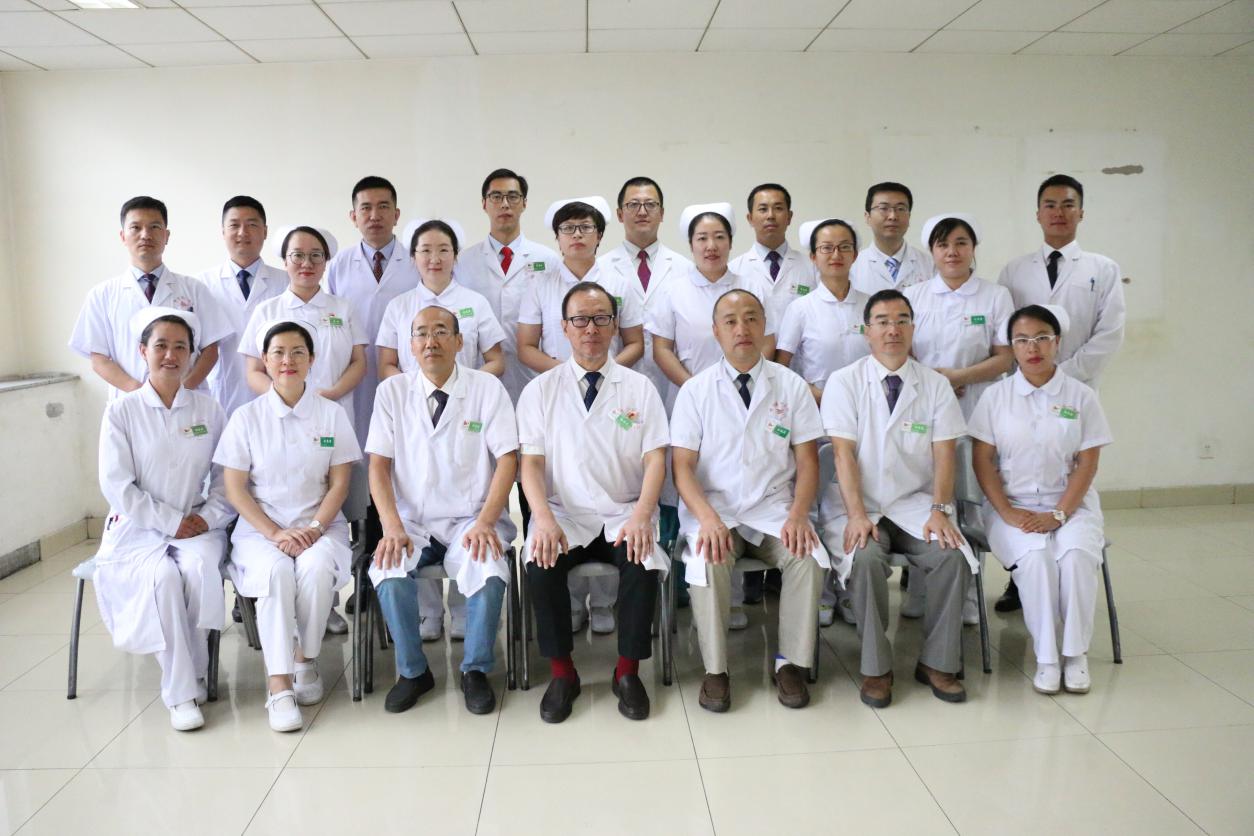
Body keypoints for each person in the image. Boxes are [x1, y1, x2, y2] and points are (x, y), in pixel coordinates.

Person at [518, 282, 669, 723]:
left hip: (624, 511)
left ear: (615, 325)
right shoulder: (540, 390)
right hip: (563, 514)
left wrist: (642, 516)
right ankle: (562, 674)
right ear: (564, 327)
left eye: (601, 318)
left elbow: (656, 458)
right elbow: (530, 464)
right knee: (541, 560)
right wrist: (542, 519)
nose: (591, 329)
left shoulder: (640, 388)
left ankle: (627, 671)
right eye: (580, 319)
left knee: (642, 559)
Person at [671, 288, 826, 712]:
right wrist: (707, 518)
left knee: (807, 557)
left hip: (775, 510)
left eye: (751, 318)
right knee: (707, 559)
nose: (742, 328)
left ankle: (790, 662)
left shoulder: (791, 386)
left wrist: (799, 515)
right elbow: (682, 467)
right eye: (731, 321)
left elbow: (808, 460)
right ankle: (716, 671)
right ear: (716, 331)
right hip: (715, 511)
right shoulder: (695, 391)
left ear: (765, 327)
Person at [821, 289, 976, 708]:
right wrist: (856, 514)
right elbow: (842, 453)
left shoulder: (935, 385)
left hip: (915, 504)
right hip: (859, 505)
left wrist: (941, 510)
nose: (893, 329)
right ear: (866, 331)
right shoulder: (844, 381)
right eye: (883, 321)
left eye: (902, 320)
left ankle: (938, 662)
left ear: (913, 328)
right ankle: (876, 668)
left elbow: (945, 454)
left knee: (951, 556)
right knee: (865, 557)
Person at [367, 305, 518, 715]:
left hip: (472, 518)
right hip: (411, 522)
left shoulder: (486, 389)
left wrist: (486, 521)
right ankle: (413, 672)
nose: (430, 341)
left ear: (458, 341)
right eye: (421, 333)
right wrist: (391, 527)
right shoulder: (392, 392)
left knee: (488, 568)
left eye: (440, 332)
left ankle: (476, 670)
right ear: (410, 345)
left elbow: (508, 459)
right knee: (388, 570)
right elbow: (378, 466)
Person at [215, 321, 361, 732]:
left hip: (321, 524)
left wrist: (314, 527)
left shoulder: (331, 414)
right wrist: (274, 533)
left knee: (315, 569)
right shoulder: (247, 417)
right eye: (278, 352)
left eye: (298, 352)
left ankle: (304, 659)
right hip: (260, 529)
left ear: (312, 359)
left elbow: (340, 483)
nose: (287, 360)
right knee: (277, 573)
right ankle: (279, 686)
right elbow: (235, 488)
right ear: (265, 360)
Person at [95, 308, 234, 731]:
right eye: (161, 346)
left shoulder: (209, 410)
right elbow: (117, 485)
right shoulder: (122, 412)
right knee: (164, 579)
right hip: (137, 527)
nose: (171, 355)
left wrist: (206, 518)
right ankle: (182, 691)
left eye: (180, 347)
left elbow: (227, 479)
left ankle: (191, 672)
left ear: (192, 355)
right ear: (143, 351)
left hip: (198, 524)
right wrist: (170, 521)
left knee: (195, 571)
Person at [994, 174, 1125, 614]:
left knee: (1071, 479)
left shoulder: (1102, 269)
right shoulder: (1014, 271)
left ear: (1081, 212)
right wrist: (1036, 375)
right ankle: (1020, 577)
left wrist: (1057, 376)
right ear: (1037, 214)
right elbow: (1007, 334)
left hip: (1077, 394)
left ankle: (1071, 565)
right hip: (1022, 395)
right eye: (1050, 205)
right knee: (1019, 481)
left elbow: (1108, 336)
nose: (1058, 212)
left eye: (1068, 204)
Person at [518, 197, 646, 634]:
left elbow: (634, 341)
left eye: (585, 227)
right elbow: (525, 346)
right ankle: (571, 604)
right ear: (556, 238)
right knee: (559, 503)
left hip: (611, 390)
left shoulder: (620, 281)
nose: (577, 235)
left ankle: (606, 604)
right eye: (568, 228)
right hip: (559, 392)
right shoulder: (540, 283)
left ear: (600, 235)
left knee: (612, 491)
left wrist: (601, 373)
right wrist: (569, 373)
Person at [970, 304, 1112, 695]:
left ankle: (1075, 655)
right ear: (1012, 347)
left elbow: (1088, 462)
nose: (1032, 348)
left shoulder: (1081, 396)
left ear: (1057, 342)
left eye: (1041, 338)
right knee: (1036, 560)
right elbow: (982, 461)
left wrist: (1060, 513)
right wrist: (1007, 511)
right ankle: (1048, 658)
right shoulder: (996, 397)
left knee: (1076, 557)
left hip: (1072, 504)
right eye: (1022, 340)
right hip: (1011, 505)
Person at [377, 219, 507, 642]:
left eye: (443, 249)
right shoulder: (399, 306)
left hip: (465, 407)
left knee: (476, 549)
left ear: (455, 255)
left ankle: (468, 624)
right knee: (407, 533)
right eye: (425, 250)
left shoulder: (473, 302)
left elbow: (496, 358)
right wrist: (419, 388)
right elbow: (386, 363)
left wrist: (463, 385)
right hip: (415, 412)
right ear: (413, 257)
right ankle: (425, 622)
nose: (434, 258)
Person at [648, 202, 776, 630]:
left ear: (731, 242)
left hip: (747, 400)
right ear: (690, 244)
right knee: (685, 489)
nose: (711, 245)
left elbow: (767, 340)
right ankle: (681, 591)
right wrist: (698, 390)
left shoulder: (751, 285)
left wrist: (740, 384)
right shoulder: (673, 289)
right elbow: (661, 348)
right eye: (702, 238)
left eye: (719, 237)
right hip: (688, 400)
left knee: (740, 487)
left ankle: (730, 599)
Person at [900, 213, 1014, 625]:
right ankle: (918, 588)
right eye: (943, 244)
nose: (952, 252)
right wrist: (937, 382)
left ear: (973, 249)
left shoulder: (995, 296)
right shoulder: (913, 296)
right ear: (931, 251)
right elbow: (901, 351)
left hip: (976, 411)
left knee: (968, 503)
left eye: (961, 243)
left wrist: (960, 377)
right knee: (921, 495)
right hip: (922, 410)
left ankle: (967, 594)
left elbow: (1005, 356)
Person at [775, 219, 870, 628]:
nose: (836, 255)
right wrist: (823, 397)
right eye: (826, 248)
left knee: (854, 502)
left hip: (866, 421)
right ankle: (824, 592)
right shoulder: (801, 308)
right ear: (813, 257)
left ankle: (850, 589)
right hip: (815, 419)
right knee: (815, 505)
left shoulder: (871, 305)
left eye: (844, 247)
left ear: (855, 254)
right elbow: (783, 367)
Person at [597, 176, 693, 555]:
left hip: (673, 390)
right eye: (633, 205)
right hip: (618, 394)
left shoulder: (684, 268)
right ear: (620, 213)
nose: (642, 211)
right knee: (625, 476)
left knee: (673, 477)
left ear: (662, 213)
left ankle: (674, 574)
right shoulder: (600, 270)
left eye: (650, 204)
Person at [71, 196, 231, 398]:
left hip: (188, 401)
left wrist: (181, 391)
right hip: (130, 402)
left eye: (154, 227)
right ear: (123, 236)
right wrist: (140, 393)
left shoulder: (194, 289)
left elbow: (210, 350)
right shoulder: (102, 295)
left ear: (166, 235)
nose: (145, 235)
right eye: (136, 228)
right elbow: (99, 358)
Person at [239, 227, 367, 436]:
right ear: (285, 261)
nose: (307, 263)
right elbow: (253, 371)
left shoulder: (344, 308)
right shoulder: (266, 310)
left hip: (335, 410)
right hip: (280, 414)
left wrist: (332, 394)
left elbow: (359, 362)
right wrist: (286, 398)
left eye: (316, 255)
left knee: (336, 456)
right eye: (298, 255)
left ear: (325, 262)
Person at [324, 176, 420, 448]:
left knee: (404, 442)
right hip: (352, 369)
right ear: (353, 217)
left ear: (396, 215)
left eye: (383, 207)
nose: (375, 216)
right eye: (366, 208)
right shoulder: (338, 265)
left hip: (405, 367)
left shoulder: (416, 260)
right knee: (357, 440)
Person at [457, 167, 560, 405]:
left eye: (513, 196)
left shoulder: (548, 260)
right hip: (482, 371)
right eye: (496, 196)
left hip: (534, 373)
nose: (505, 204)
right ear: (484, 204)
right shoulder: (464, 262)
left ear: (524, 203)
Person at [196, 195, 288, 417]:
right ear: (223, 232)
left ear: (265, 231)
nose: (242, 232)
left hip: (276, 394)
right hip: (221, 395)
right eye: (234, 225)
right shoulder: (201, 285)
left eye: (252, 225)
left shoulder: (287, 283)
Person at [728, 183, 813, 317]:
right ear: (750, 219)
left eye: (778, 208)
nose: (771, 216)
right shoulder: (734, 270)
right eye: (763, 209)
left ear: (789, 217)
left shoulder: (812, 268)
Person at [850, 182, 934, 295]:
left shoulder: (930, 264)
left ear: (909, 217)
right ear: (867, 217)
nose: (893, 216)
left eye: (900, 209)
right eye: (883, 208)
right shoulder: (852, 267)